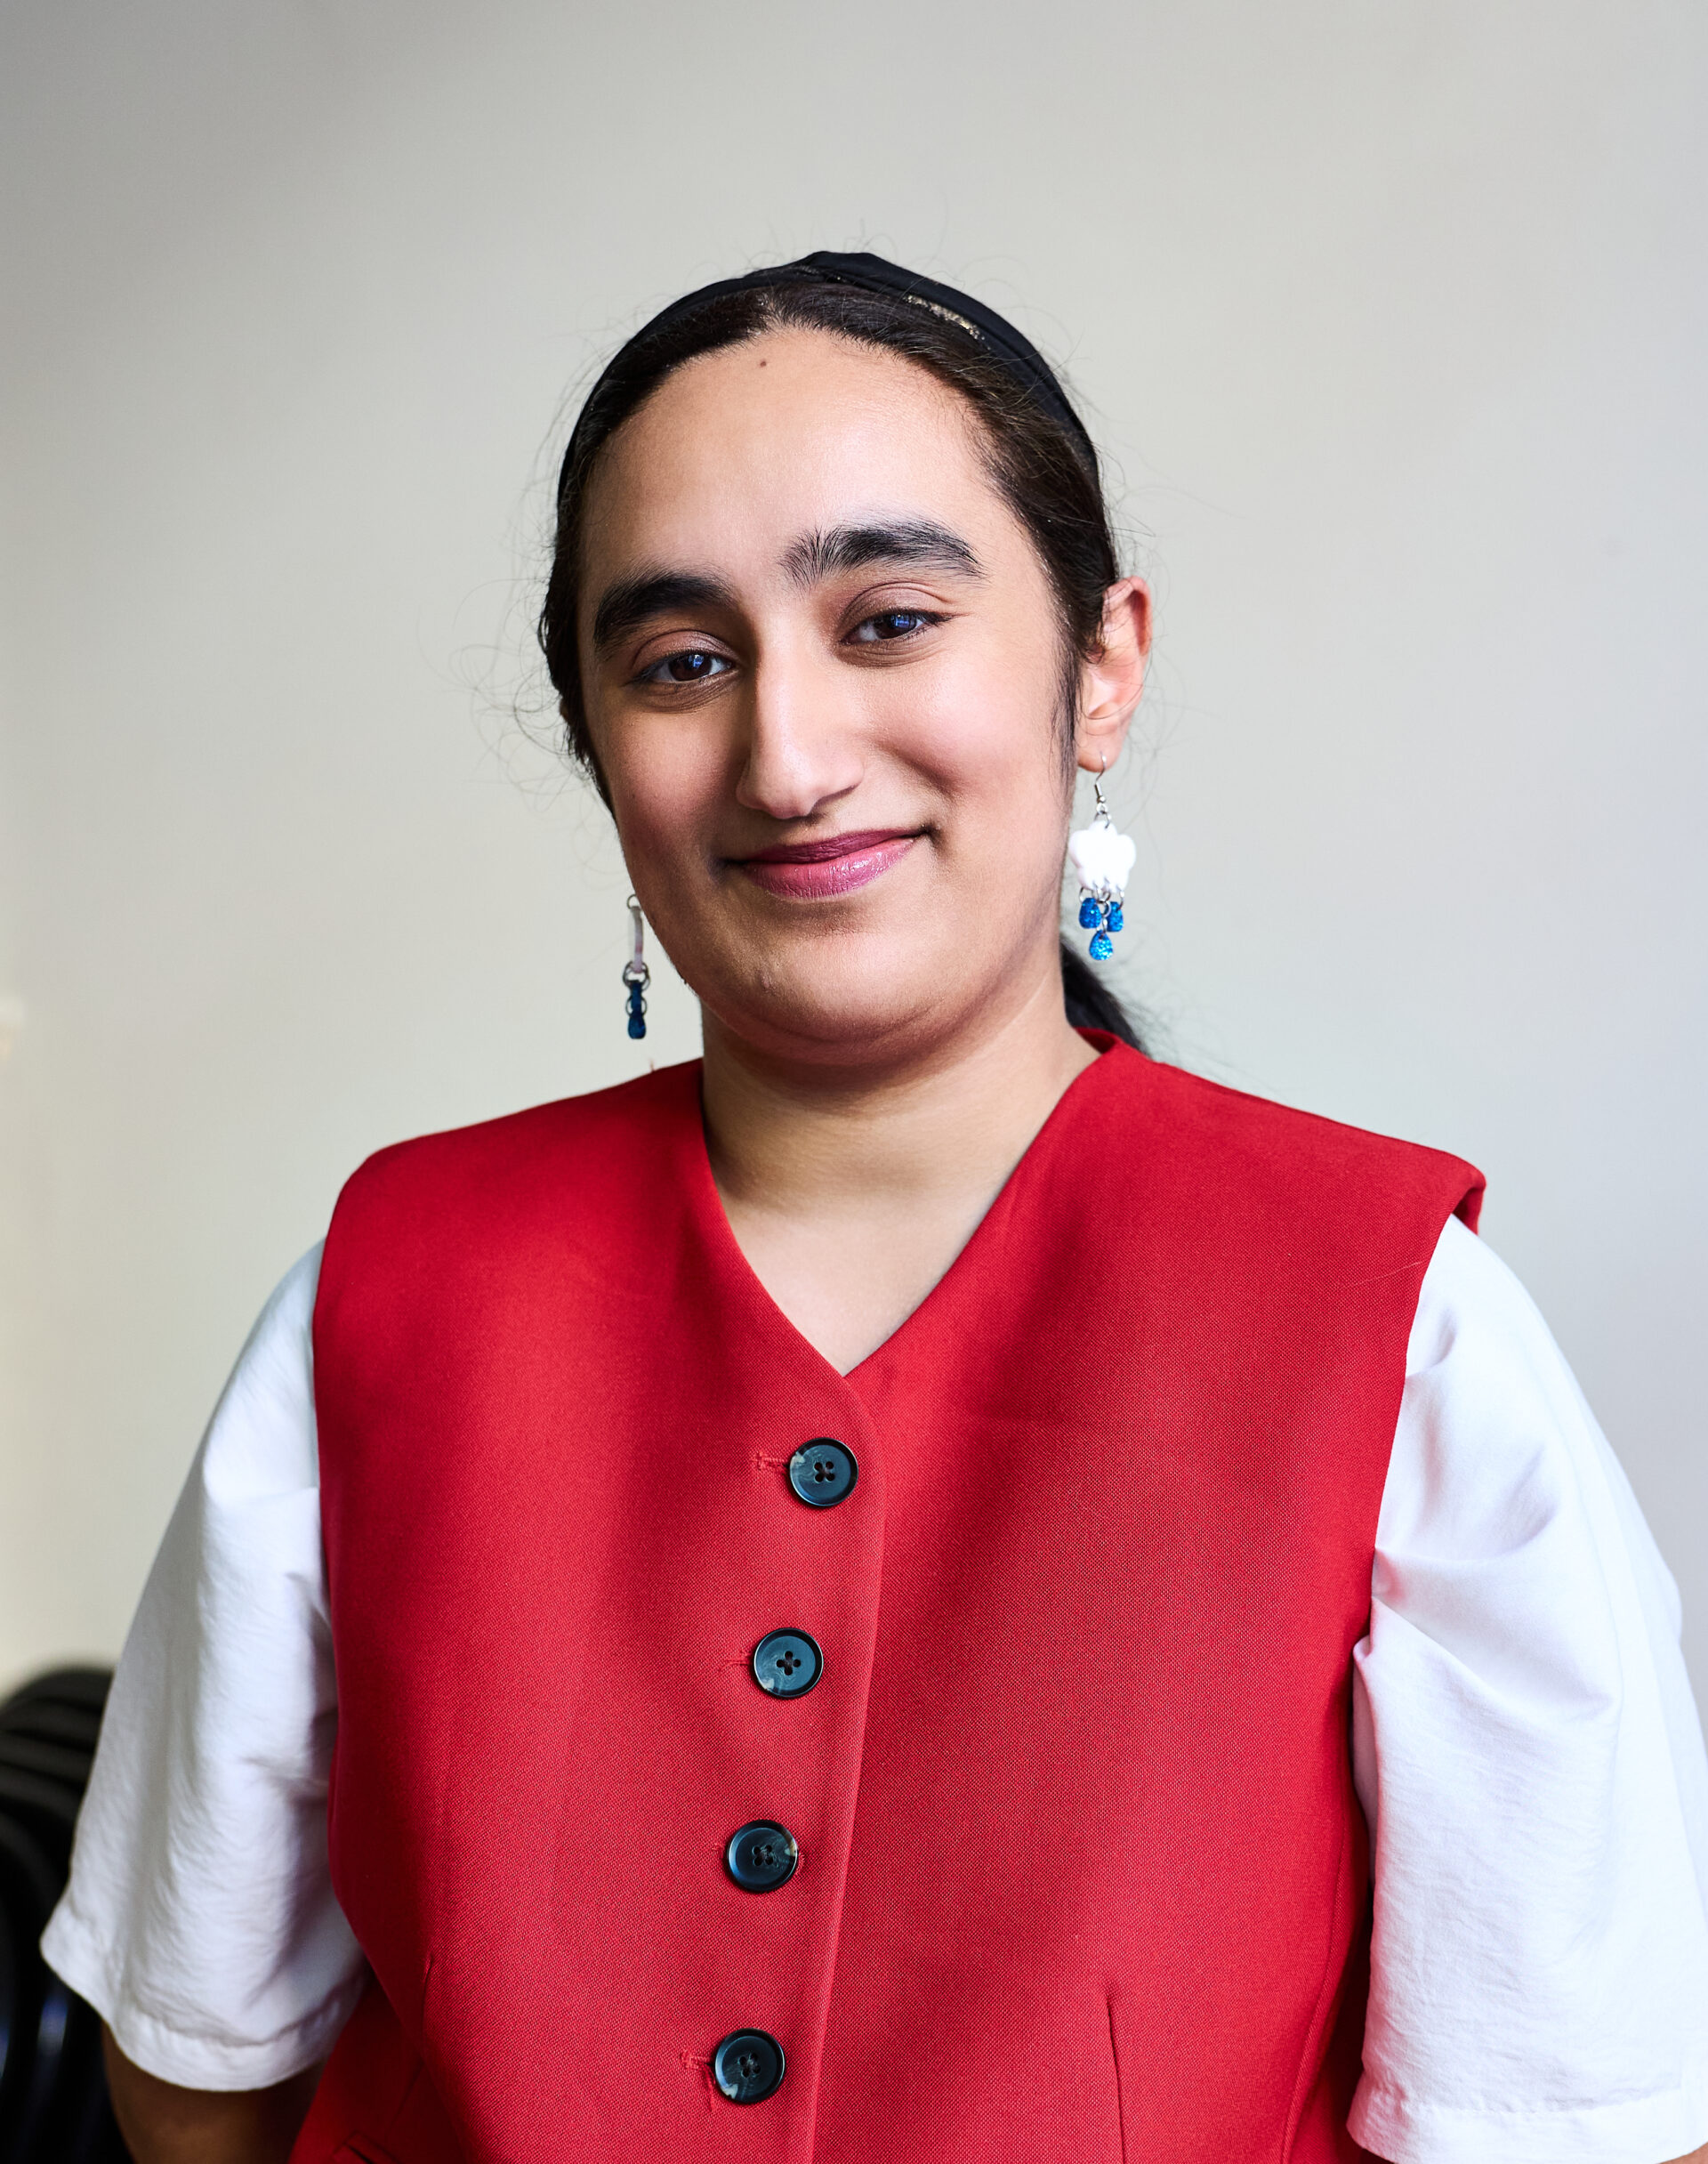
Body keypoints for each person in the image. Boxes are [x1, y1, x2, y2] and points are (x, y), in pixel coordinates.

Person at [42, 254, 1708, 2164]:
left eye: (891, 619)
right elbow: (199, 2072)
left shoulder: (1404, 1325)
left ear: (1102, 664)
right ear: (598, 741)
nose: (791, 755)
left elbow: (1578, 2120)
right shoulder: (384, 1298)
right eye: (682, 660)